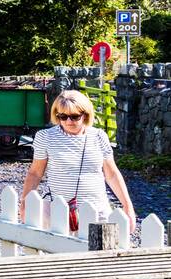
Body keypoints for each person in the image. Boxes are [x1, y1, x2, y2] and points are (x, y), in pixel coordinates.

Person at [19, 90, 136, 227]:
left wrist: (128, 207)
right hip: (57, 210)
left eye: (74, 116)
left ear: (85, 115)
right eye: (63, 116)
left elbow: (112, 174)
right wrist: (25, 202)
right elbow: (35, 173)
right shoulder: (45, 137)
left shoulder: (99, 136)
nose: (68, 121)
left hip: (97, 209)